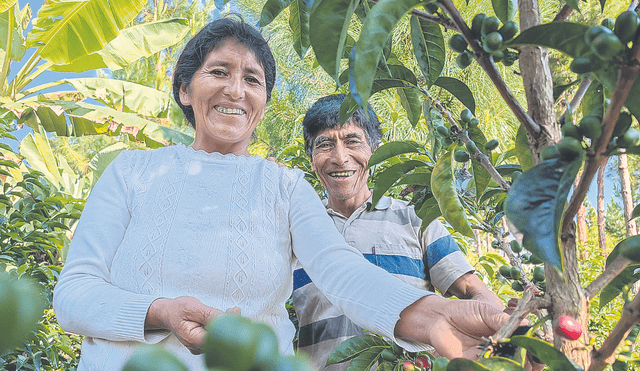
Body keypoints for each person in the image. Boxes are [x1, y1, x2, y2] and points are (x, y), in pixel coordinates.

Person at [52, 16, 510, 371]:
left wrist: (433, 317)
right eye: (219, 71)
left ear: (263, 103)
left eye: (252, 79)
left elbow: (341, 270)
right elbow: (73, 294)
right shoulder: (132, 171)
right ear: (184, 90)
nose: (236, 89)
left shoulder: (285, 186)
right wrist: (160, 311)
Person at [293, 94, 505, 370]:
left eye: (352, 141)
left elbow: (473, 291)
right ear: (311, 159)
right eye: (325, 145)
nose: (340, 157)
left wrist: (502, 332)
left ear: (375, 150)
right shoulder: (297, 230)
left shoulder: (415, 219)